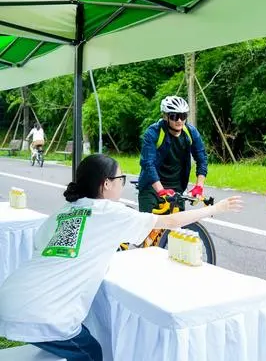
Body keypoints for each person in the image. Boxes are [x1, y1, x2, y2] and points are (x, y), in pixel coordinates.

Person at [0, 154, 242, 361]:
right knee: (92, 352)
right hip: (42, 315)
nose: (122, 184)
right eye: (121, 179)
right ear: (106, 184)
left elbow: (45, 249)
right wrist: (215, 209)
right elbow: (170, 221)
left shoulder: (63, 213)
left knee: (79, 338)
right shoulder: (111, 212)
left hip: (11, 297)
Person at [137, 95, 208, 213]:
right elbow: (147, 163)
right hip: (152, 187)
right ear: (166, 116)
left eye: (183, 116)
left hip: (177, 189)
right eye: (174, 116)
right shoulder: (153, 132)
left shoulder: (190, 132)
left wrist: (199, 187)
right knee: (150, 226)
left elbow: (202, 158)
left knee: (177, 228)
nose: (179, 120)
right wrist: (160, 191)